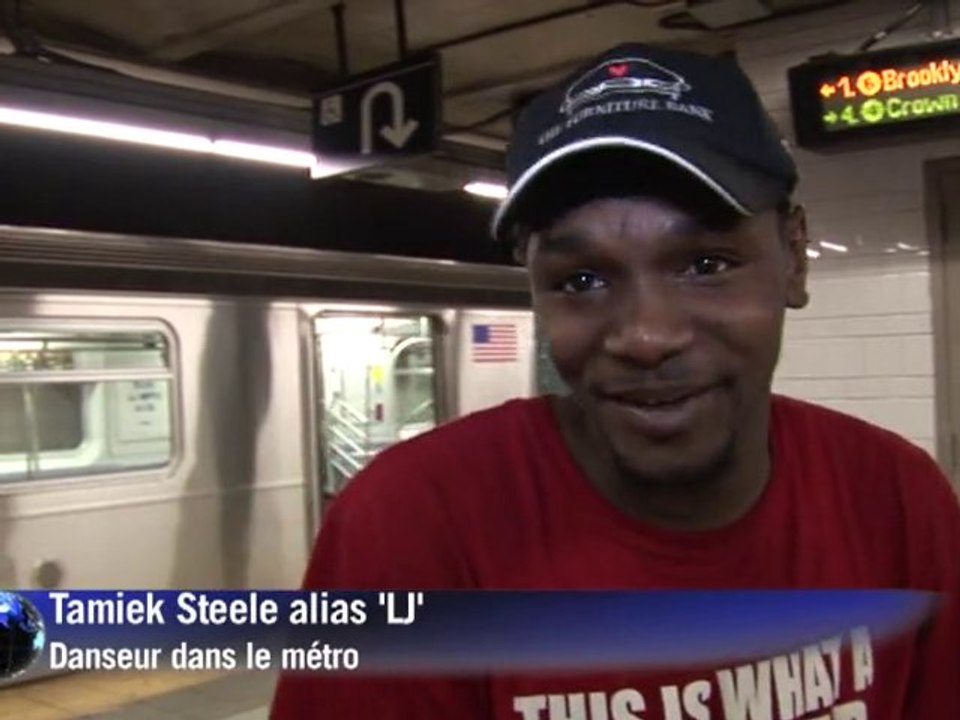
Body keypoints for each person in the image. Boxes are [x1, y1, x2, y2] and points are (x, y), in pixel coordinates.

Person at [271, 42, 960, 719]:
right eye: (582, 280)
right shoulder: (407, 529)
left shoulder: (897, 499)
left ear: (795, 259)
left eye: (707, 264)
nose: (645, 336)